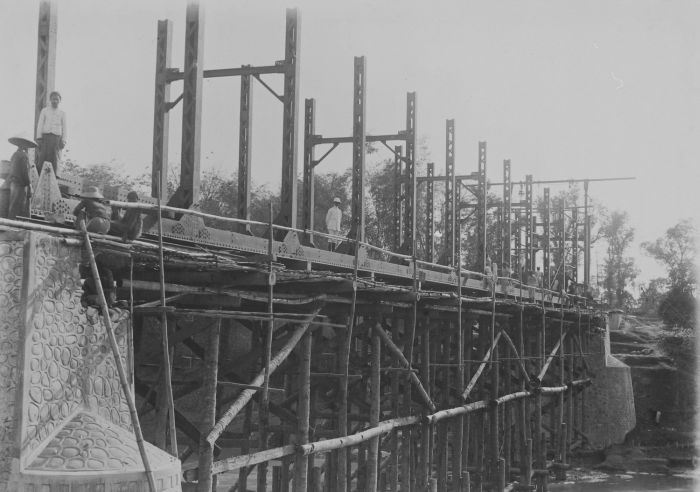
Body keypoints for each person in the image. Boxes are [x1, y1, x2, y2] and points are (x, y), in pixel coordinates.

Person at [6, 133, 38, 219]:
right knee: (20, 207)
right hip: (21, 185)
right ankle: (15, 227)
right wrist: (29, 185)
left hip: (13, 183)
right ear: (24, 146)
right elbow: (25, 173)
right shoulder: (24, 156)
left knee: (12, 206)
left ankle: (10, 224)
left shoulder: (15, 154)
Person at [36, 91, 67, 175]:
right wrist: (39, 138)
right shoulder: (45, 111)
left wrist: (63, 140)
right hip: (45, 138)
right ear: (50, 100)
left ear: (60, 101)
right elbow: (40, 124)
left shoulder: (62, 113)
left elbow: (65, 128)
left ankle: (54, 177)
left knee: (55, 160)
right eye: (53, 99)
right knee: (43, 158)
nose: (55, 101)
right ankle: (41, 176)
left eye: (57, 99)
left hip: (56, 139)